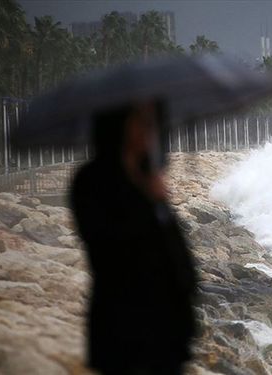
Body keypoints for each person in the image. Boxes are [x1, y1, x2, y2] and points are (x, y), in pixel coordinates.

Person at [70, 101, 199, 375]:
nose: (149, 131)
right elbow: (105, 246)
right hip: (123, 325)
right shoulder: (91, 180)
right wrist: (148, 197)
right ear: (119, 125)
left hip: (167, 327)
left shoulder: (147, 174)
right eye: (141, 122)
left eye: (151, 123)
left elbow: (172, 246)